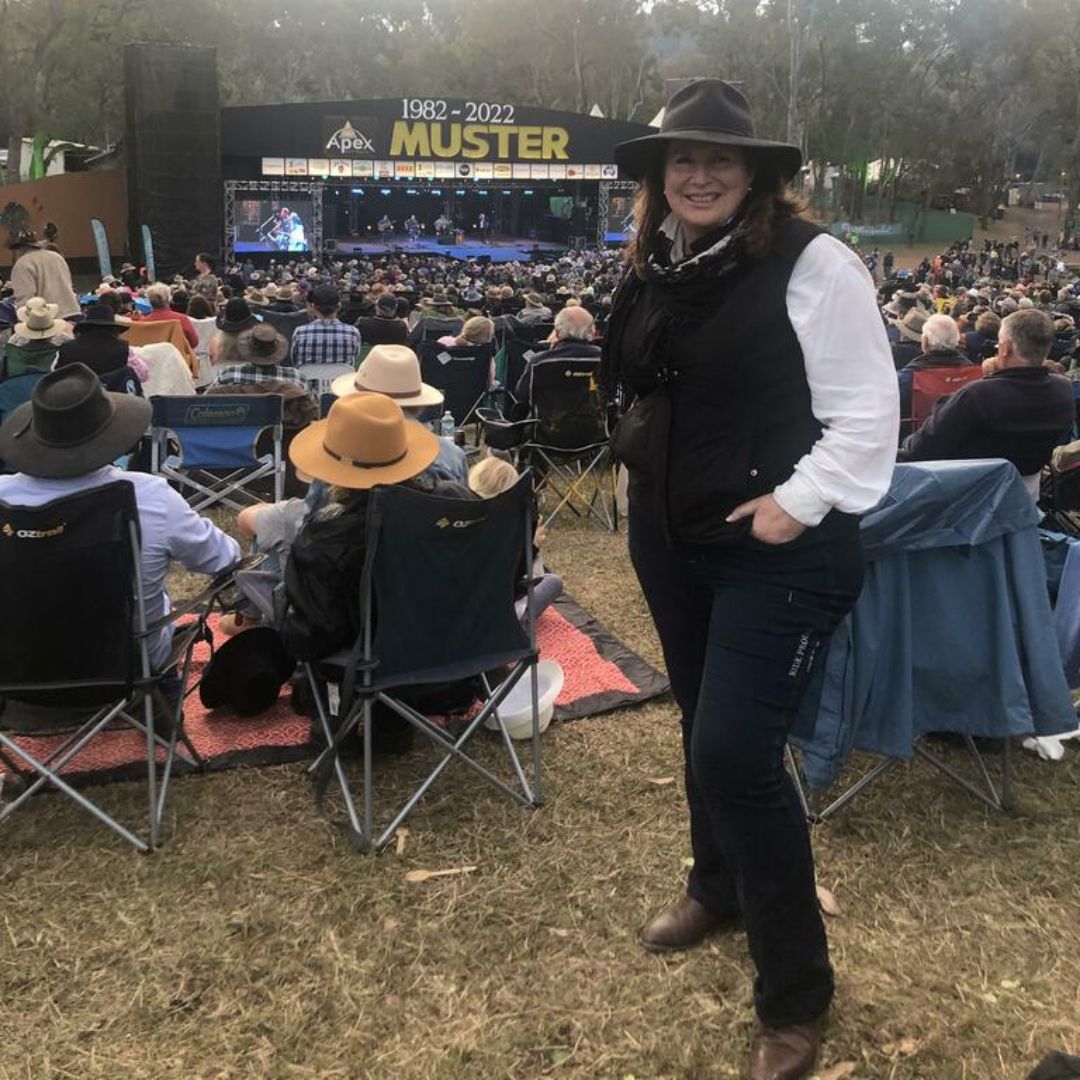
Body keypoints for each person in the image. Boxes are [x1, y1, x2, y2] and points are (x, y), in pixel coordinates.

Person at [604, 79, 898, 1079]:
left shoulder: (819, 266)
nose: (696, 173)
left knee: (735, 748)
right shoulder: (658, 260)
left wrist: (800, 499)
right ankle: (715, 882)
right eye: (677, 159)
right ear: (656, 176)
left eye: (719, 159)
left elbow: (867, 414)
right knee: (702, 722)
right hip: (672, 532)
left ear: (757, 173)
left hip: (781, 547)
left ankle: (795, 996)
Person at [0, 364, 239, 676]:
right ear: (111, 431)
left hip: (12, 672)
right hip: (128, 668)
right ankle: (162, 713)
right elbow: (225, 559)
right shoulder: (150, 496)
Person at [280, 392, 472, 661]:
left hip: (374, 689)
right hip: (465, 667)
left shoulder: (325, 542)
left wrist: (279, 620)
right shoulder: (457, 503)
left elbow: (313, 640)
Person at [899, 309, 1074, 499]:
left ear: (1005, 348)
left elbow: (921, 449)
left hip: (968, 498)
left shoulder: (978, 395)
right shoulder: (1064, 390)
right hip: (1026, 497)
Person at [330, 343, 468, 484]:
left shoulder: (336, 448)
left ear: (354, 400)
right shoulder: (452, 456)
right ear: (420, 406)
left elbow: (315, 504)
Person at [513, 305, 600, 409]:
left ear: (557, 332)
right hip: (596, 424)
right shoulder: (605, 360)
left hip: (547, 424)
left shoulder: (539, 362)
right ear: (592, 331)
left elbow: (522, 395)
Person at [896, 312, 974, 423]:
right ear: (957, 340)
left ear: (926, 341)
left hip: (918, 435)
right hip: (965, 437)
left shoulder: (907, 378)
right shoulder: (974, 375)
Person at [6, 232, 80, 319]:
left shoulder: (22, 264)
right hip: (72, 311)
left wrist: (23, 319)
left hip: (47, 318)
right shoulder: (57, 257)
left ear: (20, 248)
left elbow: (26, 296)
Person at [289, 286, 361, 367]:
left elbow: (294, 360)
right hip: (342, 379)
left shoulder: (300, 332)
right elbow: (355, 357)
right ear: (339, 306)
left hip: (307, 378)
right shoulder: (353, 332)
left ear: (313, 306)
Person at [141, 283, 200, 349]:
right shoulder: (181, 319)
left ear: (149, 301)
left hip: (152, 357)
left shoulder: (143, 322)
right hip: (178, 356)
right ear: (169, 299)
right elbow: (194, 342)